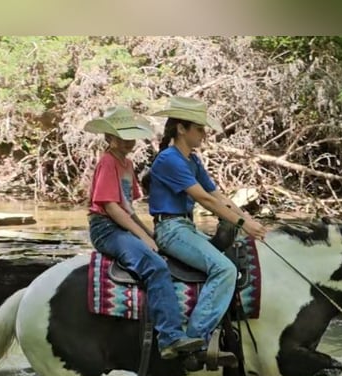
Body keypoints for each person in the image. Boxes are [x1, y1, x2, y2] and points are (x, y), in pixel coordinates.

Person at [148, 95, 268, 356]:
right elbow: (201, 197)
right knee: (224, 269)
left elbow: (218, 196)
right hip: (171, 229)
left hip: (186, 227)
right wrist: (242, 223)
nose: (204, 134)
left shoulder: (192, 160)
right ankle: (195, 339)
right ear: (182, 128)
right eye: (199, 128)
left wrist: (247, 219)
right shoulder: (169, 159)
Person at [84, 106, 205, 360]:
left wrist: (149, 232)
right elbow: (110, 207)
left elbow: (129, 208)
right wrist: (143, 237)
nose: (128, 141)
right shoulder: (108, 162)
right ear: (109, 138)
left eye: (131, 135)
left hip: (120, 223)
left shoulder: (126, 163)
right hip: (106, 228)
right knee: (155, 266)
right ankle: (170, 337)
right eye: (122, 135)